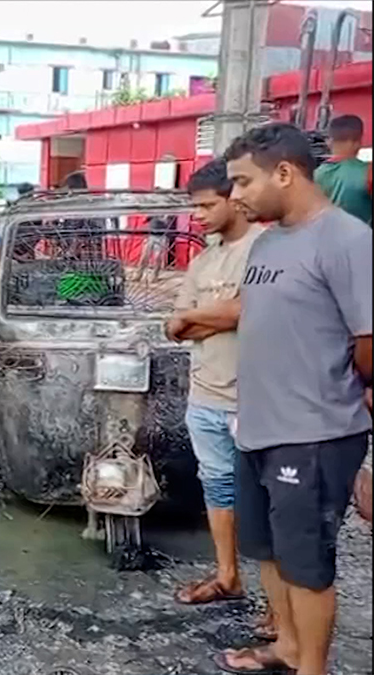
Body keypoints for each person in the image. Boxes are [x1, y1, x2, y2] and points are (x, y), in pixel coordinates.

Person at [220, 123, 372, 675]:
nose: (235, 195)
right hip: (258, 425)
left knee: (308, 564)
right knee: (267, 549)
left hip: (312, 434)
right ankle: (286, 646)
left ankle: (313, 667)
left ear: (284, 173)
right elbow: (257, 314)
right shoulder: (270, 242)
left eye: (242, 181)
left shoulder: (349, 240)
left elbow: (368, 343)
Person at [165, 159, 262, 612]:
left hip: (255, 398)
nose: (198, 216)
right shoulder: (204, 259)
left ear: (235, 200)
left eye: (207, 205)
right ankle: (228, 575)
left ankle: (281, 608)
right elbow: (173, 325)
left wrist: (197, 317)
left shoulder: (265, 249)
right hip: (205, 394)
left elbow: (246, 311)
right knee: (217, 487)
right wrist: (209, 315)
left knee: (267, 498)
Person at [315, 114, 372, 225]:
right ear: (358, 143)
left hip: (322, 239)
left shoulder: (315, 174)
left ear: (329, 142)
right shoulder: (368, 172)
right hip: (361, 239)